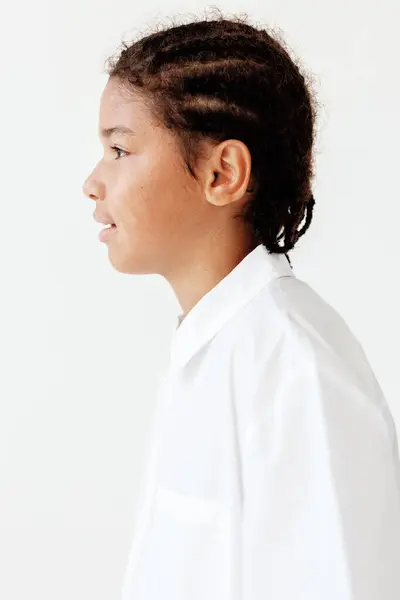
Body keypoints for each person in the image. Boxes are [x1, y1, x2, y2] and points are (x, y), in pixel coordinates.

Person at [82, 11, 400, 600]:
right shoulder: (212, 348)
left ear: (222, 172)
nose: (92, 182)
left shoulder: (298, 371)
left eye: (120, 150)